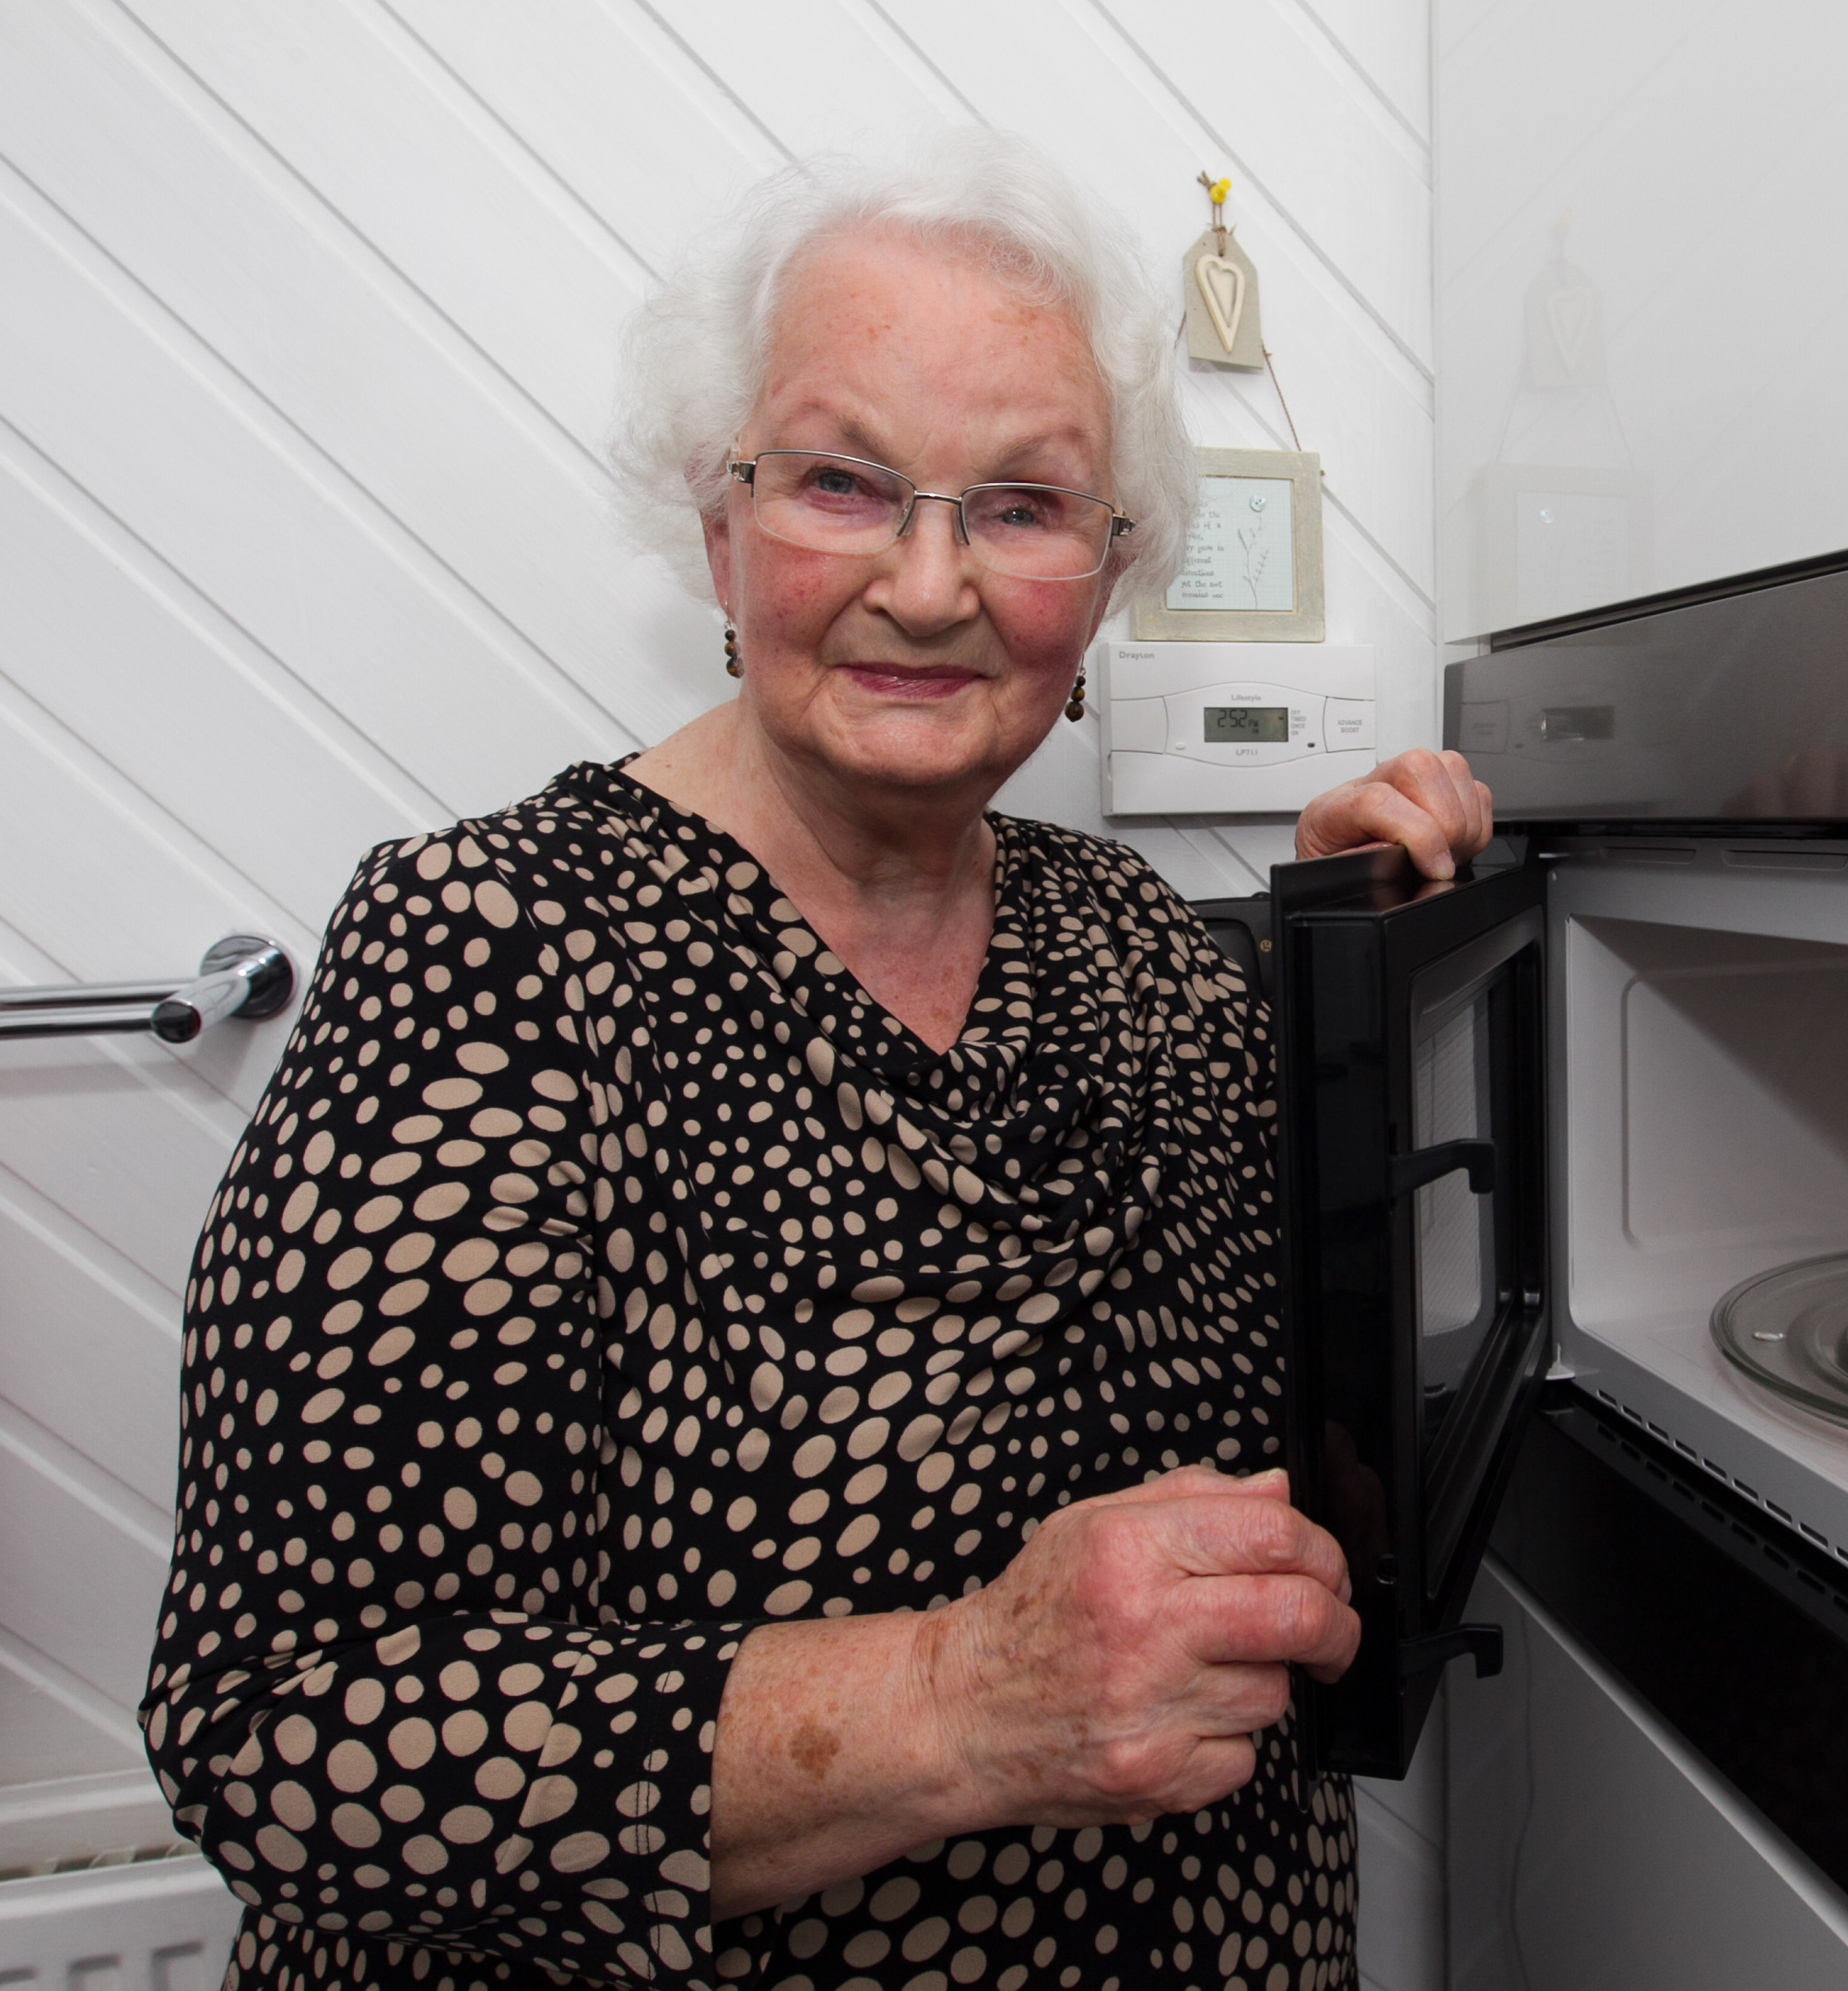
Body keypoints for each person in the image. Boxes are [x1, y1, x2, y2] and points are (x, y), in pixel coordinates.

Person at [140, 132, 1491, 1991]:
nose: (931, 588)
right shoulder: (495, 954)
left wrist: (1337, 928)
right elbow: (289, 1732)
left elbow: (1232, 1268)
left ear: (1108, 575)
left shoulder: (1134, 946)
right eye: (848, 484)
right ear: (722, 521)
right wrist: (964, 1691)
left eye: (1023, 507)